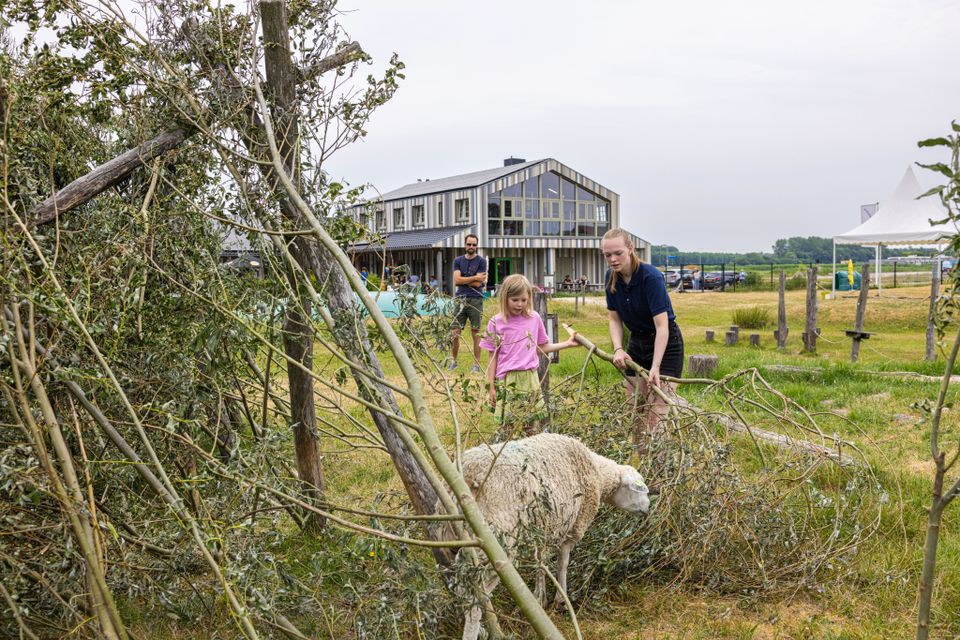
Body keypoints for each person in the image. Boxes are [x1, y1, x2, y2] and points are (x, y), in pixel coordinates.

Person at [602, 228, 684, 452]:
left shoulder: (651, 277)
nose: (613, 259)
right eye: (607, 255)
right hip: (636, 343)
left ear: (630, 248)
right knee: (634, 409)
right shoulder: (611, 278)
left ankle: (660, 466)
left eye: (618, 253)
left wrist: (656, 366)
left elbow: (662, 326)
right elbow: (614, 319)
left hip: (665, 345)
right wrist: (618, 349)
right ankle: (639, 461)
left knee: (657, 413)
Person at [480, 274, 580, 436]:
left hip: (530, 378)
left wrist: (567, 344)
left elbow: (541, 347)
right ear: (505, 298)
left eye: (524, 300)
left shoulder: (534, 319)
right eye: (515, 300)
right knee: (507, 428)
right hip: (507, 380)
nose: (520, 304)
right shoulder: (495, 322)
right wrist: (491, 386)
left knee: (531, 427)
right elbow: (492, 357)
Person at [450, 234, 487, 372]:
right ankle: (453, 362)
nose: (471, 247)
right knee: (455, 332)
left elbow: (478, 283)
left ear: (476, 246)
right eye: (469, 244)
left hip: (476, 299)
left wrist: (465, 280)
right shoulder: (458, 260)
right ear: (465, 245)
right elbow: (456, 280)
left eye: (474, 245)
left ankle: (476, 365)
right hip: (460, 299)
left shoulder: (481, 261)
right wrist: (475, 277)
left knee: (475, 332)